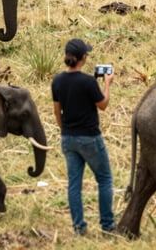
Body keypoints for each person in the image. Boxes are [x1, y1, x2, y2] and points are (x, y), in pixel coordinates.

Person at [51, 38, 115, 236]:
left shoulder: (57, 81)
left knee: (74, 184)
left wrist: (65, 130)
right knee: (104, 179)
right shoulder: (88, 81)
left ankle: (79, 227)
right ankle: (107, 225)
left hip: (68, 138)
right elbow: (103, 105)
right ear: (83, 58)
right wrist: (107, 84)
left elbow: (56, 111)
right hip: (90, 138)